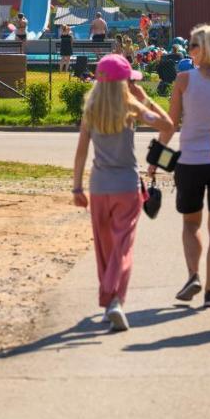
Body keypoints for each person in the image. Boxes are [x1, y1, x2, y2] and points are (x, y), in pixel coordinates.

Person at [71, 54, 175, 332]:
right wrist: (144, 98)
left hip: (99, 186)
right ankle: (115, 299)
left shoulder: (91, 110)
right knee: (123, 246)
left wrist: (77, 187)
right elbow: (167, 125)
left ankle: (108, 303)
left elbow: (81, 150)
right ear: (125, 85)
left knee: (104, 247)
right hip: (127, 187)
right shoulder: (131, 107)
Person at [168, 23, 210, 307]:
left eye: (193, 45)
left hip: (189, 162)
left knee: (190, 223)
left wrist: (155, 159)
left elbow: (171, 124)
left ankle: (193, 274)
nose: (189, 50)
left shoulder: (183, 80)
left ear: (204, 48)